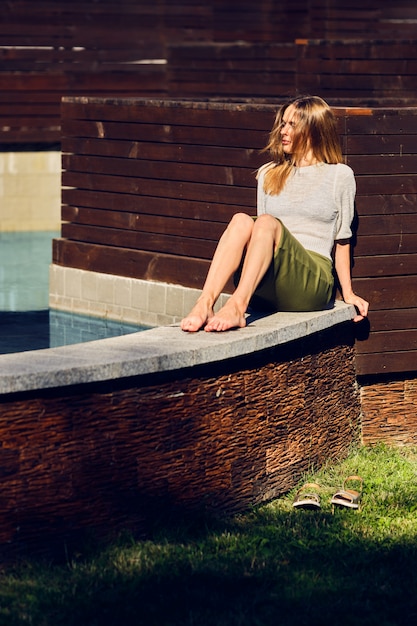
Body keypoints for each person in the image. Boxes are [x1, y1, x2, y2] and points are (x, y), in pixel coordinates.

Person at [181, 95, 369, 333]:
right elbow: (259, 237)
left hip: (311, 283)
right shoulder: (269, 173)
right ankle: (205, 303)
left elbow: (343, 241)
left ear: (314, 130)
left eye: (292, 124)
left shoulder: (339, 176)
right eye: (283, 123)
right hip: (268, 283)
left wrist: (348, 294)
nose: (284, 130)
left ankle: (237, 305)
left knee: (266, 222)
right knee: (241, 220)